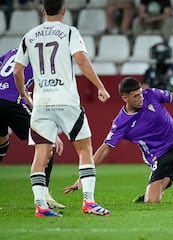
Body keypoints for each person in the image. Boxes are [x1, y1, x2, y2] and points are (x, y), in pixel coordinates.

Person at [63, 77, 173, 204]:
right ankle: (152, 189)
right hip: (161, 156)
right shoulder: (121, 123)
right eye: (136, 96)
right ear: (125, 98)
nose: (141, 98)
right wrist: (83, 177)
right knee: (152, 201)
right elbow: (104, 149)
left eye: (140, 94)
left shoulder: (152, 94)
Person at [13, 0, 111, 217]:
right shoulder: (69, 32)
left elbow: (17, 71)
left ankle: (40, 206)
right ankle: (89, 202)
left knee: (41, 154)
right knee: (84, 149)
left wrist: (23, 94)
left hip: (41, 103)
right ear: (64, 11)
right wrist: (100, 87)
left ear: (43, 11)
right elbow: (82, 60)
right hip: (66, 100)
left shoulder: (29, 35)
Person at [0, 48, 65, 209]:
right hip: (14, 102)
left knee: (2, 142)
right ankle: (44, 193)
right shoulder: (41, 59)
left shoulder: (12, 52)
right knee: (46, 142)